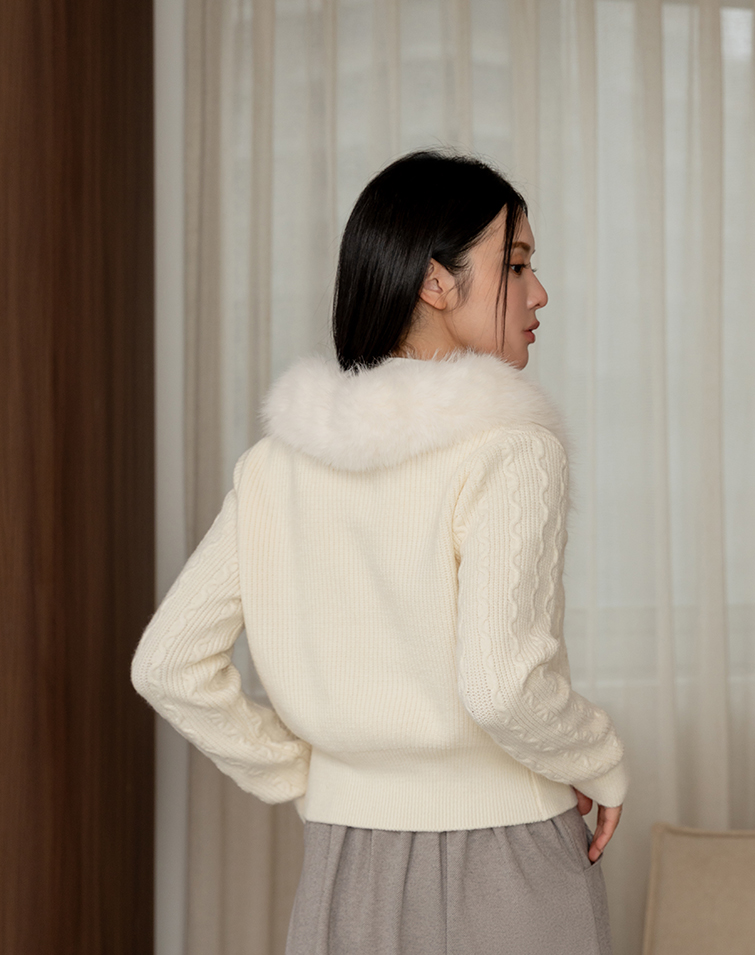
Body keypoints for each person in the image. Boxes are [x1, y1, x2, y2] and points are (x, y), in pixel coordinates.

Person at [131, 149, 628, 955]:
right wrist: (599, 759)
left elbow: (167, 663)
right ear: (435, 282)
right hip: (510, 861)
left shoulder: (275, 464)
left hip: (344, 865)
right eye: (515, 264)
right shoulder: (509, 447)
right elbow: (500, 686)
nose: (538, 292)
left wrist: (307, 771)